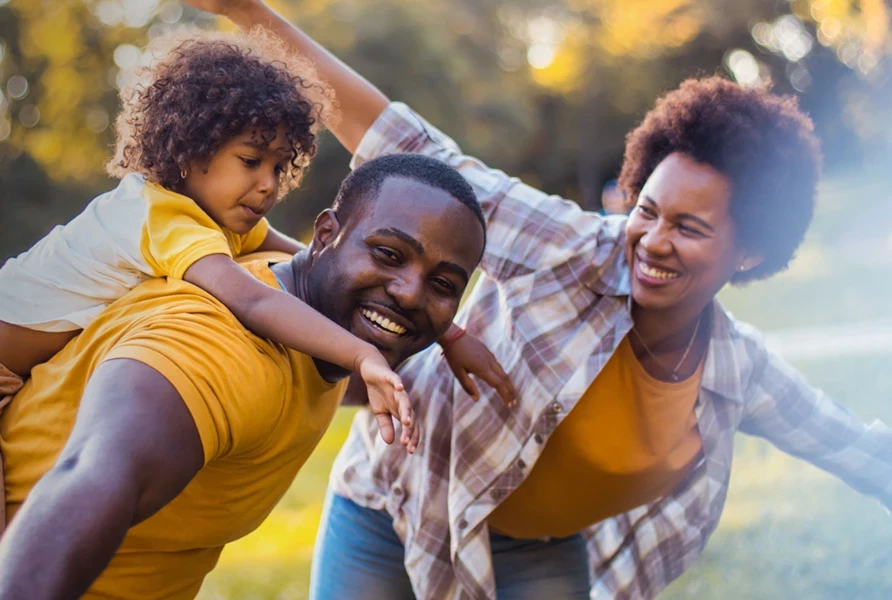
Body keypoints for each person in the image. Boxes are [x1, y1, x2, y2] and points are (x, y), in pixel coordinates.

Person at [191, 1, 892, 598]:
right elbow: (404, 143)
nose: (651, 241)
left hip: (539, 553)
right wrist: (248, 12)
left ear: (750, 252)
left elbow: (851, 447)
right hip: (394, 501)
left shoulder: (734, 371)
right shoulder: (574, 250)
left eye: (690, 228)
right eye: (647, 211)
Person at [0, 28, 502, 598]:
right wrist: (364, 354)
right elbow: (253, 302)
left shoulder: (231, 227)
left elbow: (316, 259)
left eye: (278, 166)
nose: (268, 185)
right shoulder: (176, 237)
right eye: (250, 161)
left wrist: (447, 332)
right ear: (189, 149)